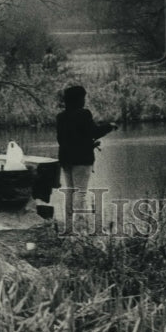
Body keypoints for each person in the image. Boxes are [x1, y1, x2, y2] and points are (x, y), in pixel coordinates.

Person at [56, 84, 117, 231]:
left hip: (66, 159)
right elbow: (93, 132)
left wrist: (87, 144)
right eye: (83, 98)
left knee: (70, 192)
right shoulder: (84, 114)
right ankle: (81, 225)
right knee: (81, 192)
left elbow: (63, 140)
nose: (84, 101)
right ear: (78, 99)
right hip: (81, 160)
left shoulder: (61, 117)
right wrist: (110, 126)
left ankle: (69, 224)